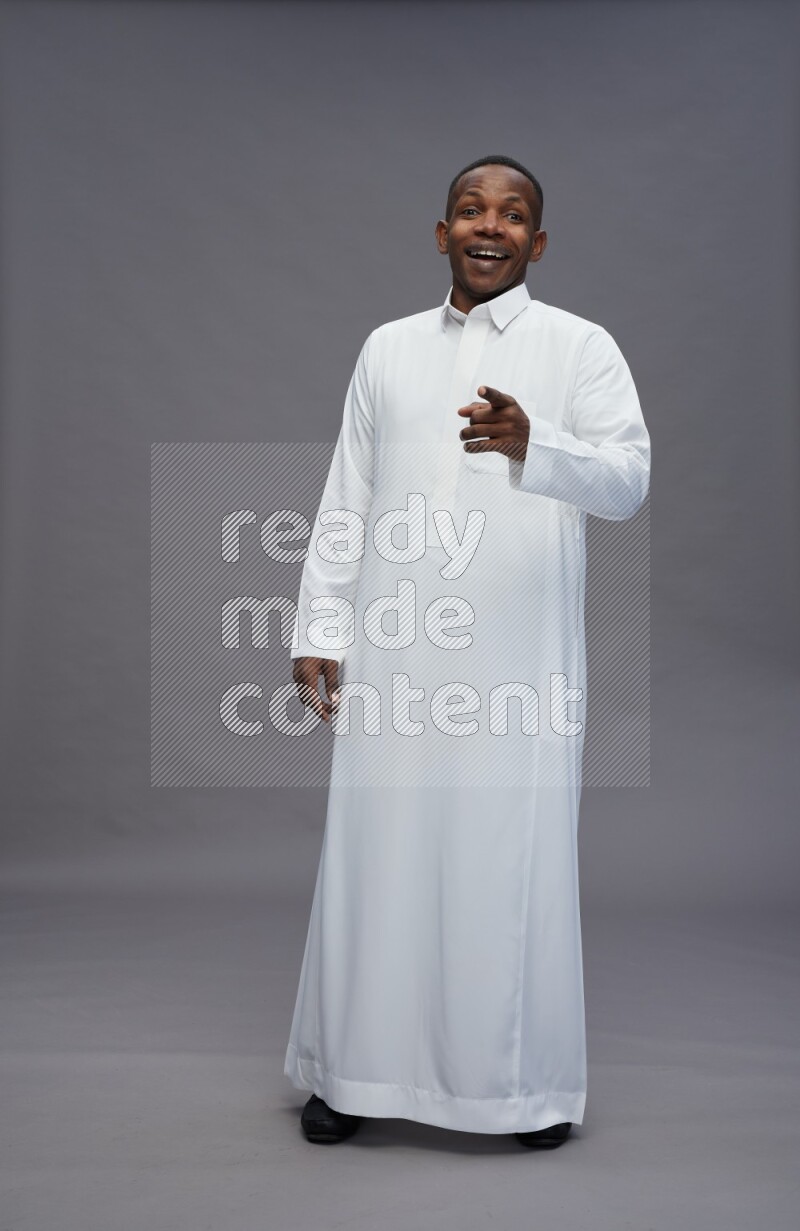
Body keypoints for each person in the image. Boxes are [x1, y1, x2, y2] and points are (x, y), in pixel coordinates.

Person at [284, 155, 650, 1147]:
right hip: (396, 652)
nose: (489, 226)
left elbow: (626, 481)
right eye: (468, 209)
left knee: (504, 859)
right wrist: (319, 628)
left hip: (514, 664)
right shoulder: (387, 348)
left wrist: (539, 446)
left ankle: (520, 1085)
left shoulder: (579, 348)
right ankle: (349, 1072)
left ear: (536, 242)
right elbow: (347, 494)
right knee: (377, 855)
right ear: (440, 232)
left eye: (512, 214)